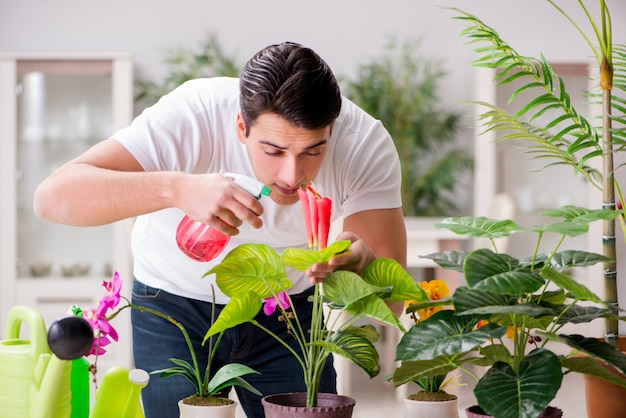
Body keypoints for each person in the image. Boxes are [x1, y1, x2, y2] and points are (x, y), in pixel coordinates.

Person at [33, 41, 407, 417]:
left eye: (313, 151)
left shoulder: (363, 147)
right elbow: (52, 198)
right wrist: (176, 189)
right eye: (274, 151)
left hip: (288, 312)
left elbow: (391, 305)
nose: (293, 176)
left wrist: (364, 265)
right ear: (241, 127)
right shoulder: (194, 115)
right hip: (171, 305)